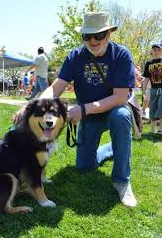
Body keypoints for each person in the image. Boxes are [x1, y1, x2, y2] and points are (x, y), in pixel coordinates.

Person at [15, 12, 137, 207]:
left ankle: (122, 180)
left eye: (98, 35)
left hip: (112, 111)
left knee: (122, 116)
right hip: (89, 118)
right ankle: (113, 148)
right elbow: (55, 88)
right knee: (84, 166)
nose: (93, 40)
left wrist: (82, 110)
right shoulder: (75, 56)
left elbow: (120, 97)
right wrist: (31, 106)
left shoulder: (121, 55)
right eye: (87, 36)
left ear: (109, 34)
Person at [142, 43, 162, 134]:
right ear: (151, 52)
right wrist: (144, 90)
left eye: (158, 50)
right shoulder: (148, 63)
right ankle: (152, 130)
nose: (156, 51)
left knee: (161, 106)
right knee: (153, 108)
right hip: (153, 89)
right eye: (154, 50)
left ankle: (161, 129)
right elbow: (146, 78)